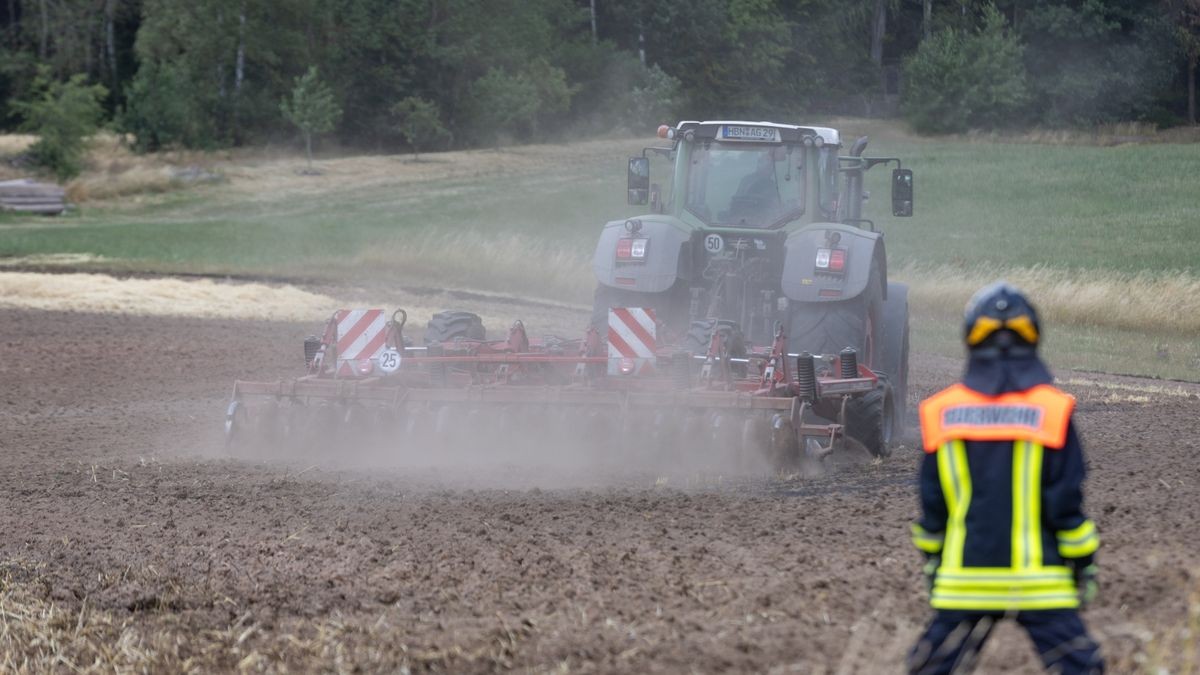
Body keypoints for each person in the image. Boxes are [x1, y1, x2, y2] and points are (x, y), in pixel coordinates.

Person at [907, 281, 1103, 675]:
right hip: (1040, 585)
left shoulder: (942, 412)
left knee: (931, 668)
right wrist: (1084, 565)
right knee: (1083, 668)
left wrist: (933, 564)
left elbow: (933, 509)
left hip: (964, 583)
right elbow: (1066, 505)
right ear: (1033, 337)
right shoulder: (1053, 411)